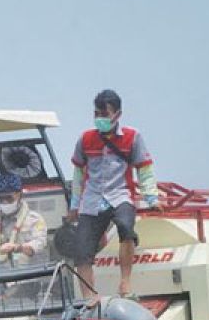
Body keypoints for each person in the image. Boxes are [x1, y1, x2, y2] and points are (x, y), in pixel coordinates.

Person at [66, 89, 160, 301]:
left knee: (126, 228)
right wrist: (74, 205)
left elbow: (144, 169)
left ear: (117, 114)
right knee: (81, 250)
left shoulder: (132, 137)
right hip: (91, 200)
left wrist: (151, 198)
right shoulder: (85, 139)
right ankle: (89, 297)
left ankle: (125, 283)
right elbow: (78, 174)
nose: (99, 118)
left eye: (104, 114)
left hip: (120, 195)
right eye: (96, 114)